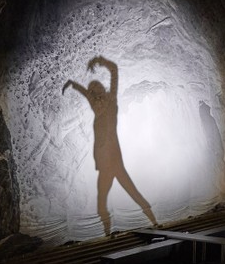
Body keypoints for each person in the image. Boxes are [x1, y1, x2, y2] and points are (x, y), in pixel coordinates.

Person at [63, 56, 158, 236]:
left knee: (132, 193)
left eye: (95, 88)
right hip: (105, 165)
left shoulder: (110, 100)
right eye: (92, 90)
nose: (93, 92)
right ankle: (108, 234)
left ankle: (154, 222)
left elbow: (114, 70)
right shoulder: (96, 106)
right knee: (103, 203)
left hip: (113, 161)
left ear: (101, 89)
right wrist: (74, 84)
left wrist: (99, 60)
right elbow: (87, 94)